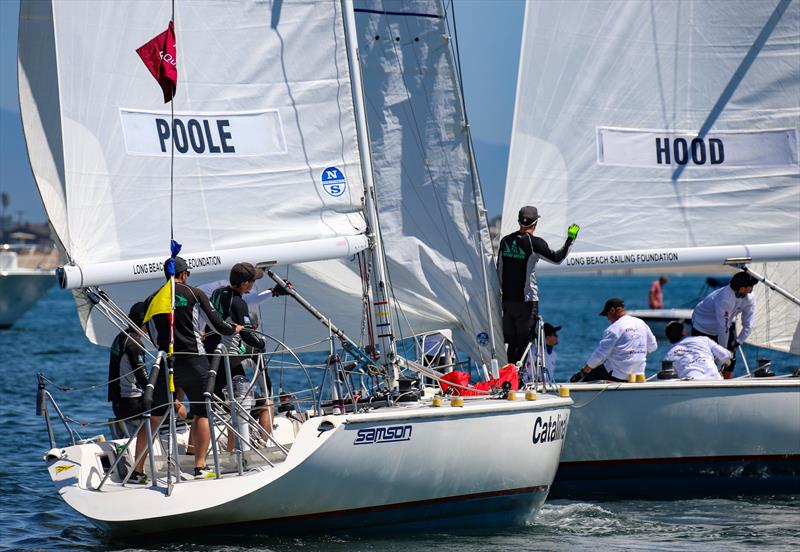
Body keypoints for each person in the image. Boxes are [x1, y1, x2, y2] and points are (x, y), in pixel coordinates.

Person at [147, 256, 242, 479]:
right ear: (184, 275)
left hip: (166, 361)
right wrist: (235, 329)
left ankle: (139, 470)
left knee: (154, 415)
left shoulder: (154, 298)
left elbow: (151, 333)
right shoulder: (194, 293)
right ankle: (200, 466)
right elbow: (219, 325)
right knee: (203, 410)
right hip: (193, 359)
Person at [205, 262, 287, 448]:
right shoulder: (239, 303)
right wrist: (261, 344)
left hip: (210, 356)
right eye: (252, 281)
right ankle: (255, 445)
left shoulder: (220, 293)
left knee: (231, 404)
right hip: (228, 358)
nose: (253, 284)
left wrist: (271, 292)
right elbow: (247, 334)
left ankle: (232, 448)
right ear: (244, 284)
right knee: (261, 400)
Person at [497, 205, 579, 364]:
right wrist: (571, 238)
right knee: (524, 343)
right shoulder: (535, 243)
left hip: (507, 301)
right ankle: (516, 381)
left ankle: (507, 378)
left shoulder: (505, 241)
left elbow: (498, 269)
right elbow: (557, 258)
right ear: (535, 223)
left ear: (519, 221)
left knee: (510, 343)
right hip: (527, 302)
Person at [690, 271, 758, 379]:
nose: (753, 287)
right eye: (751, 285)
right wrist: (722, 353)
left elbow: (748, 325)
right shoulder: (725, 299)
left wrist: (738, 342)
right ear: (742, 288)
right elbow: (723, 329)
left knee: (730, 359)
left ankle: (725, 383)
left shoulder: (750, 298)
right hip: (702, 326)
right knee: (702, 361)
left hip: (722, 327)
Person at [574, 298, 657, 382]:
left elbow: (600, 355)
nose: (607, 318)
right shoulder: (641, 323)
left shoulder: (614, 329)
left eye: (607, 315)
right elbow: (653, 347)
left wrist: (584, 371)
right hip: (639, 374)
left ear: (612, 310)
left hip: (617, 375)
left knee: (584, 381)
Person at [664, 321, 732, 380]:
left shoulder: (669, 354)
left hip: (690, 382)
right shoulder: (704, 339)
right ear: (683, 332)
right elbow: (725, 355)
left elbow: (668, 376)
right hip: (714, 379)